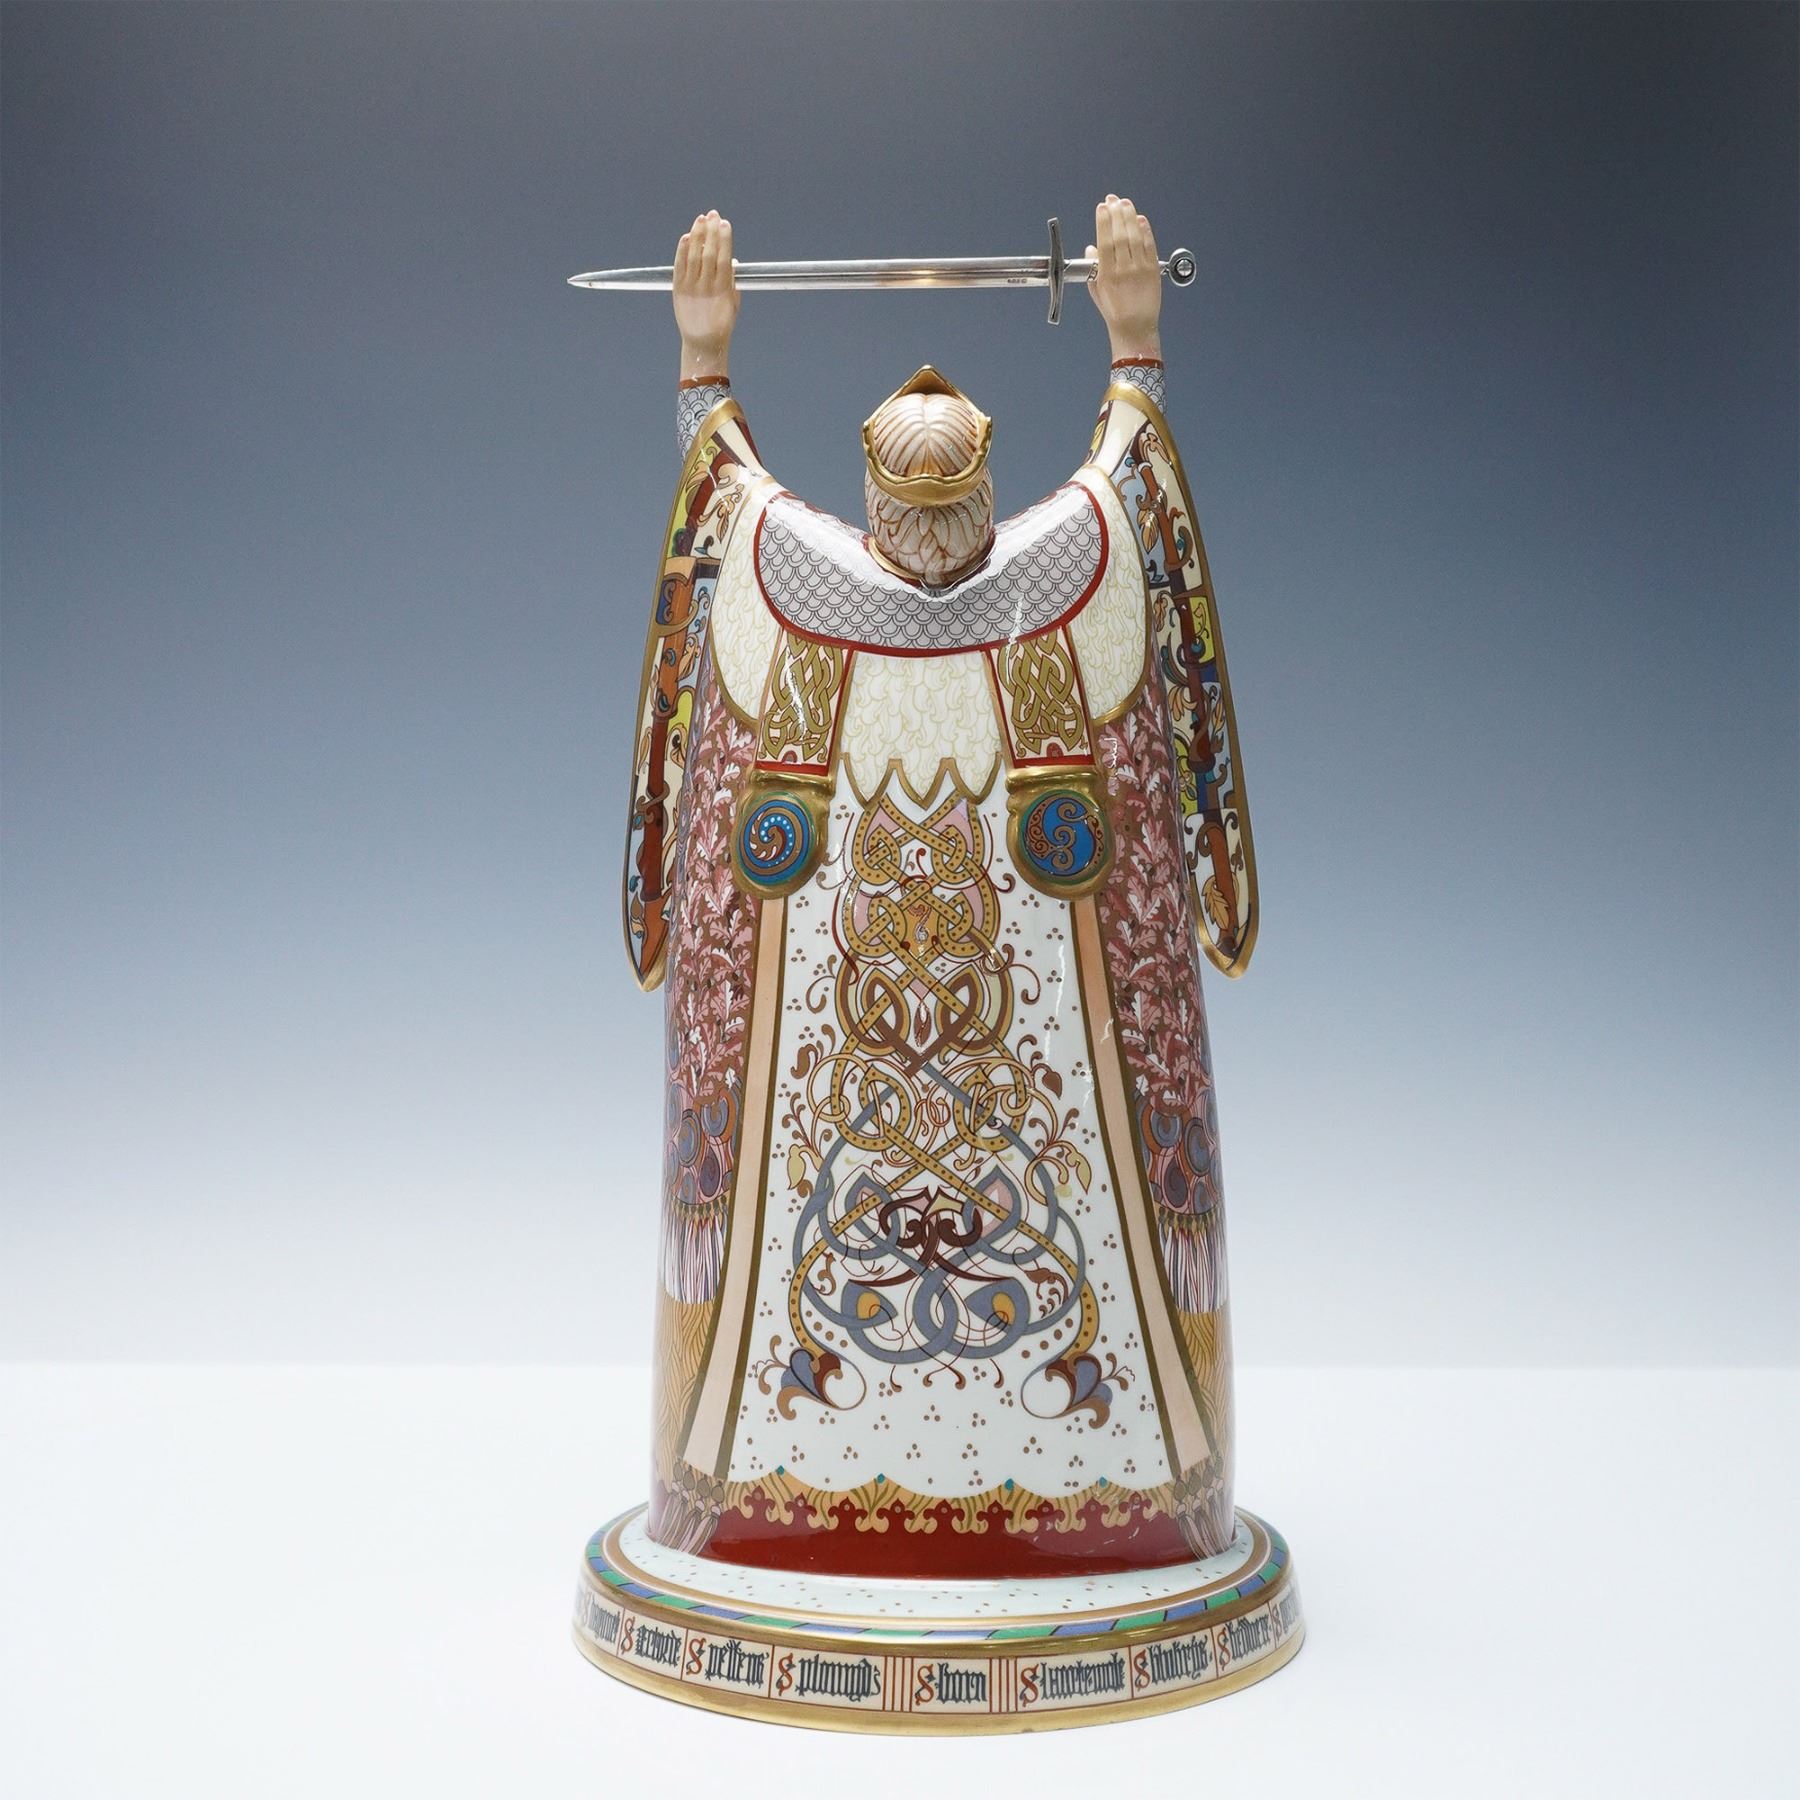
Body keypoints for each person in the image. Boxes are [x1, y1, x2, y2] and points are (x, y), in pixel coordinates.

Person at [622, 198, 1258, 1577]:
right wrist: (1133, 344)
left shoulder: (807, 570)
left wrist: (704, 363)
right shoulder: (1066, 566)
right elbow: (1130, 468)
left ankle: (1108, 1498)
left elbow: (722, 485)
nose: (925, 542)